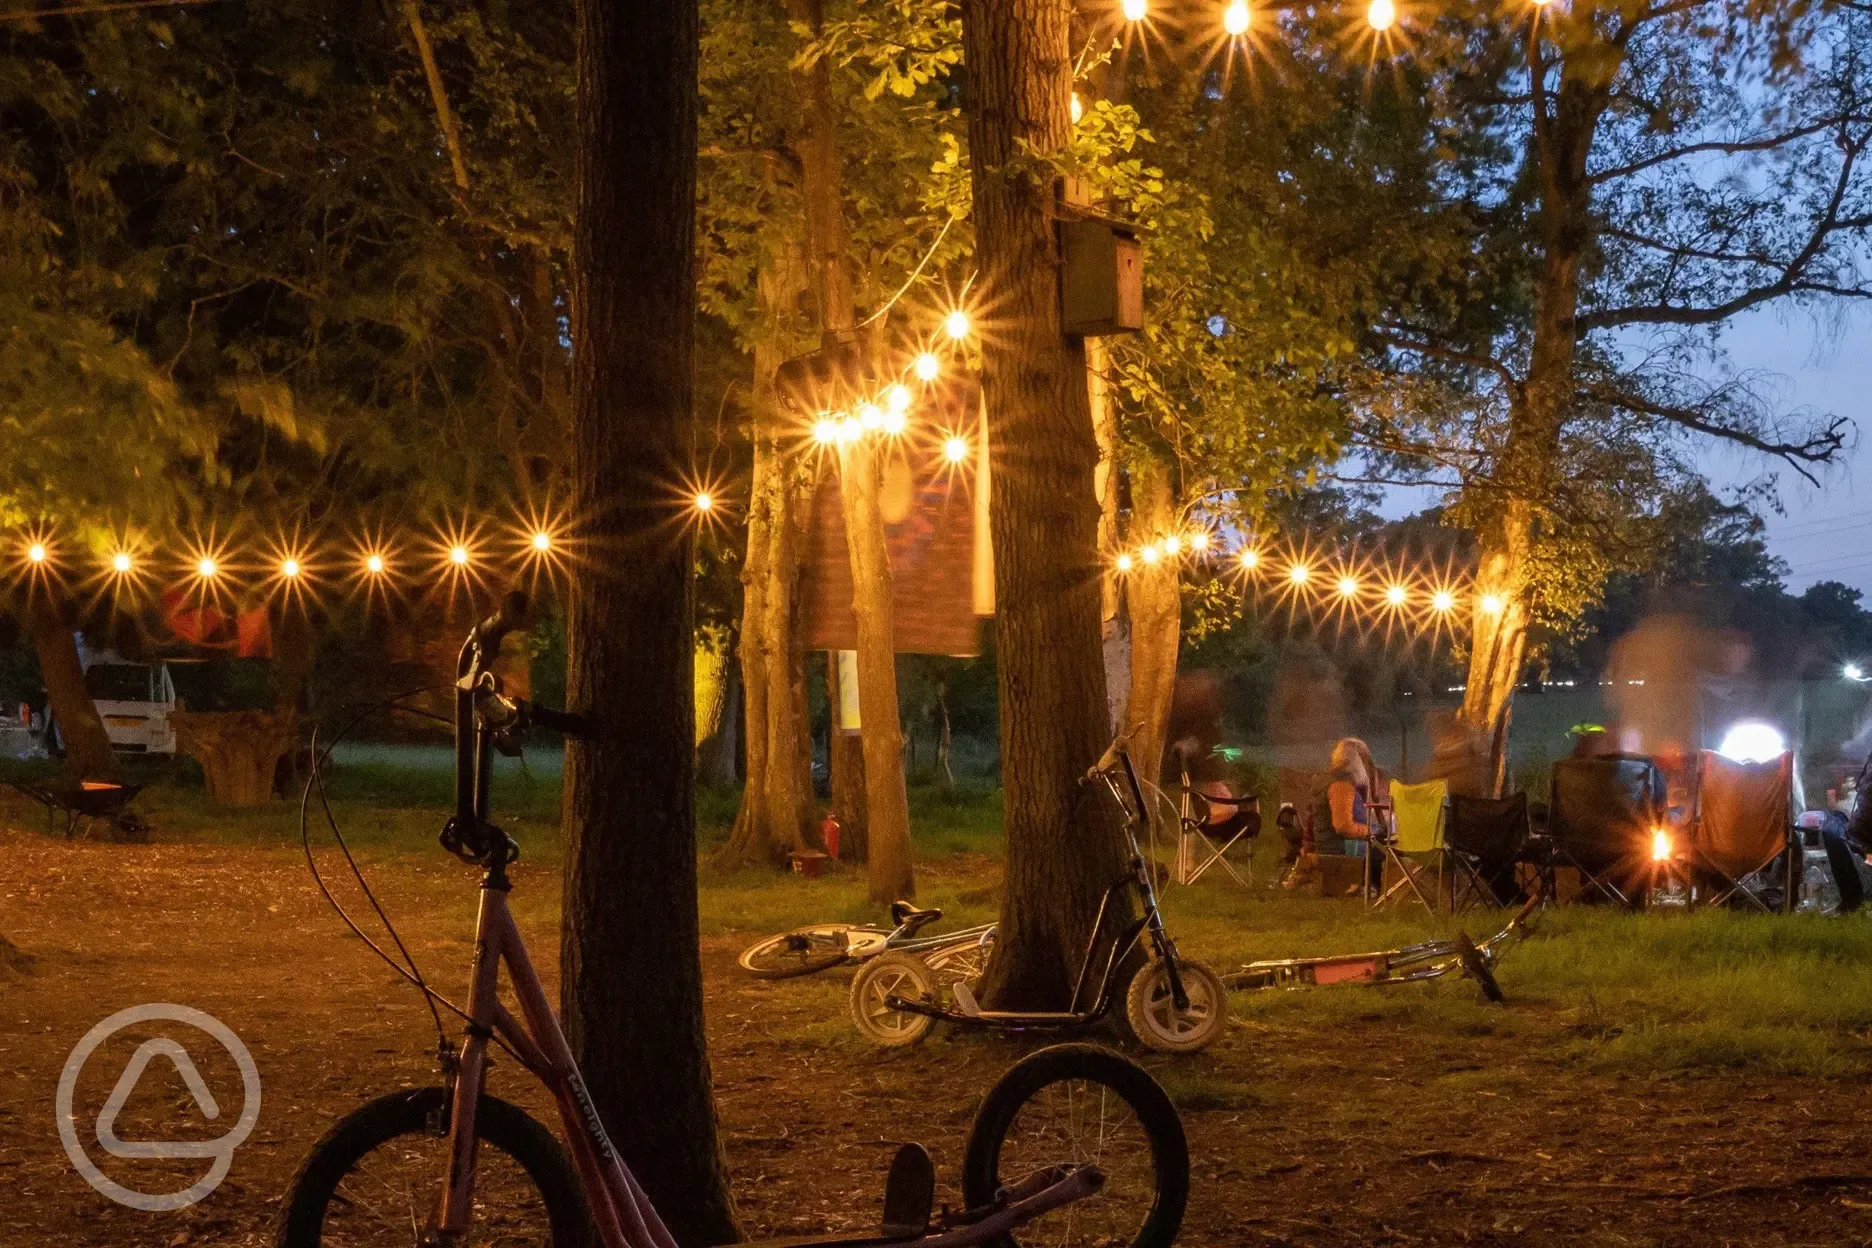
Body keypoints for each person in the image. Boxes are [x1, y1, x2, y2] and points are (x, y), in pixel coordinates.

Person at [1311, 737, 1386, 898]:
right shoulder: (1341, 784)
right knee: (1383, 849)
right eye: (1365, 761)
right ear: (1357, 761)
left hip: (1328, 841)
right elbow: (1343, 826)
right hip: (1339, 845)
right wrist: (1369, 831)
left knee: (1381, 840)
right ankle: (1372, 888)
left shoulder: (1326, 778)